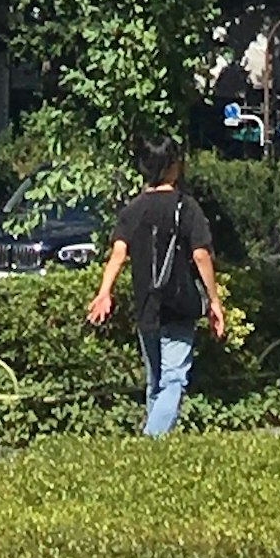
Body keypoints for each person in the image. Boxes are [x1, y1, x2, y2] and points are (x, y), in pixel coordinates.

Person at [89, 136, 221, 435]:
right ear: (173, 165)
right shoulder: (185, 207)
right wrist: (214, 301)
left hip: (146, 304)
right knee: (174, 380)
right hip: (178, 304)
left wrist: (104, 292)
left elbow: (118, 254)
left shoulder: (133, 210)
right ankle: (151, 441)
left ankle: (152, 453)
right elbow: (200, 255)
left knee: (156, 379)